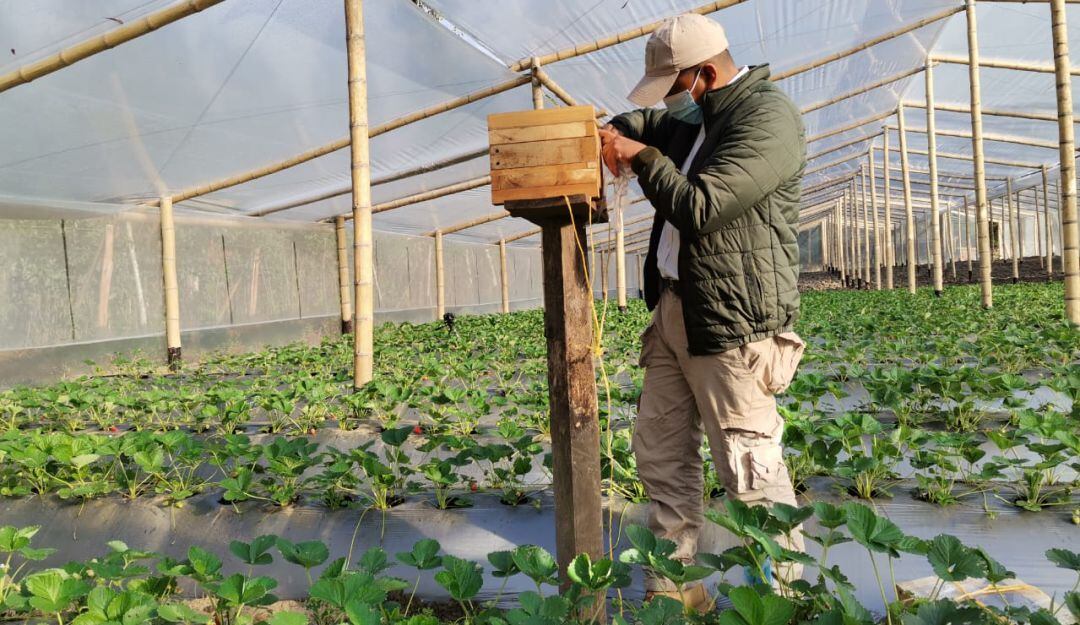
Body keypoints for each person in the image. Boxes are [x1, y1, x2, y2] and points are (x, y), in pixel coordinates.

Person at [599, 12, 807, 610]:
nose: (668, 103)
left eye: (673, 88)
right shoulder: (695, 121)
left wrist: (641, 158)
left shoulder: (766, 118)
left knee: (749, 469)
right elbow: (647, 121)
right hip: (671, 312)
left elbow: (702, 206)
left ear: (704, 75)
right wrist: (613, 130)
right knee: (661, 454)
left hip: (728, 323)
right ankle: (674, 589)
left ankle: (778, 601)